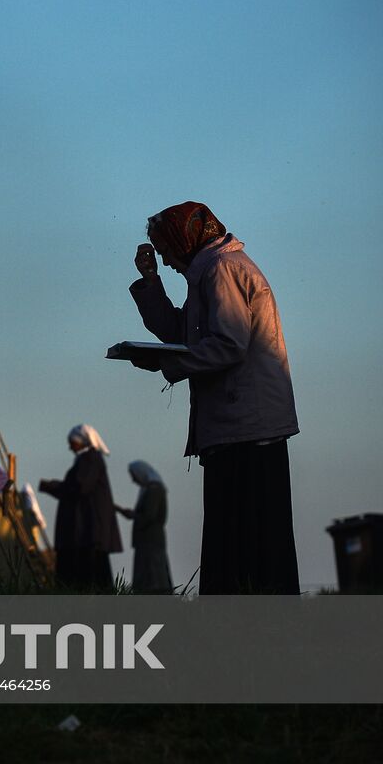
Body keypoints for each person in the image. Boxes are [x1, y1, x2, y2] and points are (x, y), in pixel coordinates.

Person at [127, 201, 300, 594]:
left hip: (248, 432)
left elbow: (227, 345)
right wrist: (151, 282)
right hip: (238, 430)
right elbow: (182, 335)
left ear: (182, 239)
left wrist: (167, 366)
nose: (168, 261)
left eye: (167, 251)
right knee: (242, 546)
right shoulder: (208, 272)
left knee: (247, 549)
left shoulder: (222, 270)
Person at [39, 425, 122, 591]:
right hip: (86, 531)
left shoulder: (90, 459)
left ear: (83, 441)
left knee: (90, 574)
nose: (70, 447)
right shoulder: (88, 460)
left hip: (88, 531)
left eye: (72, 442)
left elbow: (80, 487)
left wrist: (53, 486)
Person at [117, 461, 174, 594]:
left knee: (153, 575)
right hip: (147, 540)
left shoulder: (154, 490)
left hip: (150, 540)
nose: (133, 479)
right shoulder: (150, 489)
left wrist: (133, 515)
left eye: (134, 476)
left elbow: (149, 516)